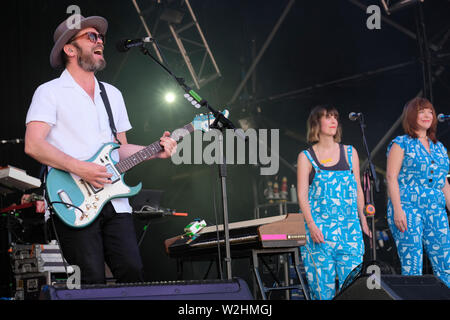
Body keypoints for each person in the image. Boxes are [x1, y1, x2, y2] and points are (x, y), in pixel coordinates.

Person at [24, 14, 177, 284]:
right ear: (69, 49)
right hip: (72, 201)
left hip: (115, 201)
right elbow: (33, 145)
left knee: (132, 270)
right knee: (91, 278)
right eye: (91, 36)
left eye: (101, 37)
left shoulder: (113, 95)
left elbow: (120, 149)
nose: (100, 41)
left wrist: (156, 150)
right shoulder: (50, 92)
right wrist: (81, 168)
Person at [297, 105, 371, 300]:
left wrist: (363, 221)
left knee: (354, 290)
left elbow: (357, 190)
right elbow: (302, 195)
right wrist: (312, 226)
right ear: (315, 123)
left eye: (335, 117)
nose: (333, 121)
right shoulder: (306, 157)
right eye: (327, 117)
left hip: (350, 233)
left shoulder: (350, 152)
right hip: (320, 235)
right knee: (322, 293)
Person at [386, 97, 450, 287]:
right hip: (407, 207)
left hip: (436, 210)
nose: (427, 115)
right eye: (422, 111)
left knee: (446, 262)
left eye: (430, 111)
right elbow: (391, 177)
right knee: (413, 264)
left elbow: (443, 183)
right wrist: (397, 209)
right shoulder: (401, 143)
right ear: (412, 115)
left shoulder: (439, 148)